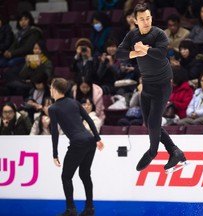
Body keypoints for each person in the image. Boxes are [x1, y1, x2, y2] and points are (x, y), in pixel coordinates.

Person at [116, 3, 187, 172]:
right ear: (135, 21)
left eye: (148, 18)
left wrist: (146, 50)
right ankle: (175, 152)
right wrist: (137, 52)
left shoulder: (159, 34)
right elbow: (119, 53)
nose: (146, 21)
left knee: (154, 123)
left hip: (163, 84)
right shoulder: (132, 35)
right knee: (149, 123)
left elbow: (161, 53)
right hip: (146, 84)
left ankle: (153, 152)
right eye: (142, 19)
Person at [48, 78, 104, 216]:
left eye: (51, 88)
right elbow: (89, 120)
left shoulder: (53, 108)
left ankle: (71, 209)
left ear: (55, 90)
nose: (50, 90)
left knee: (66, 176)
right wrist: (97, 138)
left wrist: (55, 154)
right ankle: (89, 208)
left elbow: (54, 132)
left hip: (78, 143)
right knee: (85, 174)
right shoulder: (74, 102)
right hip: (90, 140)